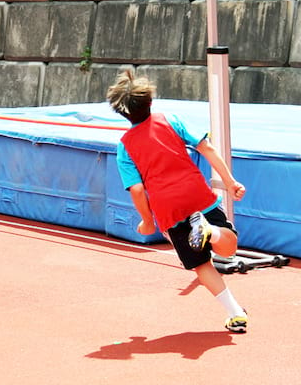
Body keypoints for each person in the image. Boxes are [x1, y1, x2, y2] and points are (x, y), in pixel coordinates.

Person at [106, 69, 248, 333]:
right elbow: (206, 148)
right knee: (228, 248)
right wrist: (229, 182)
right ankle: (212, 232)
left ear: (122, 113)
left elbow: (137, 189)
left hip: (167, 209)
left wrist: (147, 221)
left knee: (201, 264)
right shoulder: (170, 120)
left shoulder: (124, 146)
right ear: (150, 101)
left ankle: (236, 312)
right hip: (196, 194)